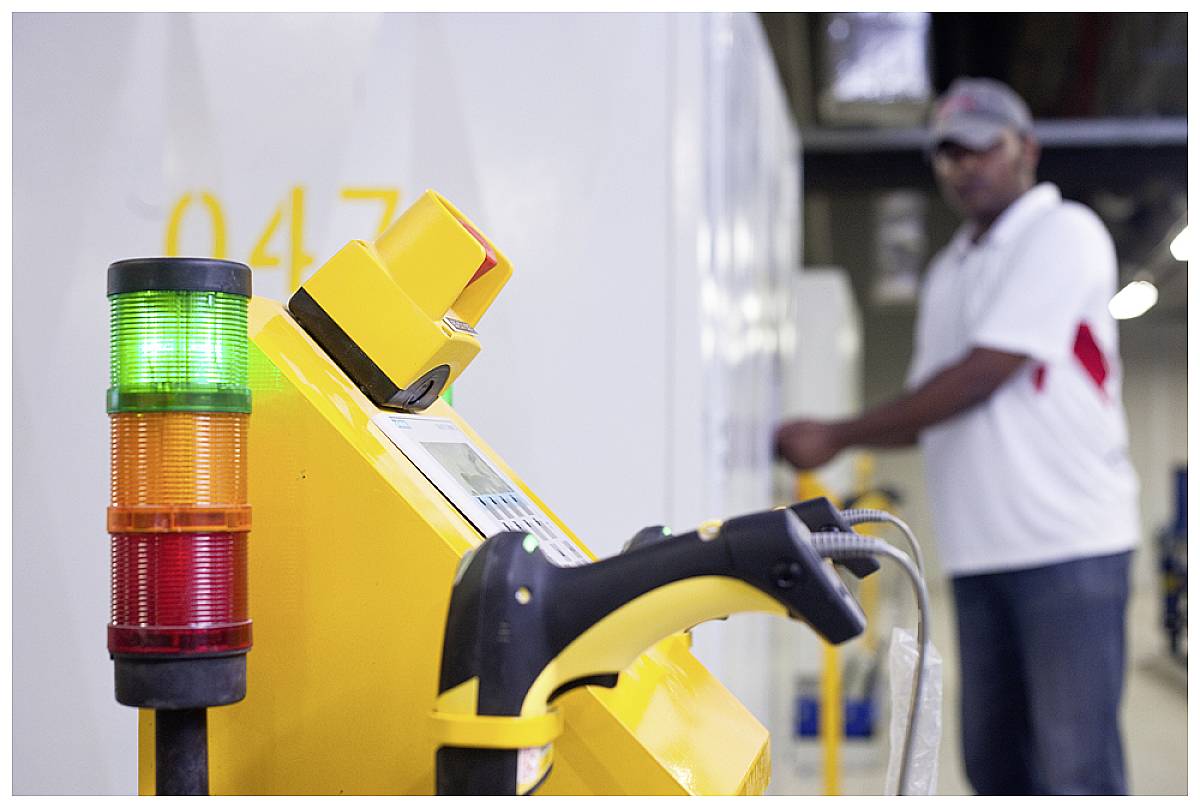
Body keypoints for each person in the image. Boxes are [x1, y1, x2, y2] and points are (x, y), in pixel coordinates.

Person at [775, 77, 1139, 796]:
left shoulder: (1063, 232)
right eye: (948, 154)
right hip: (981, 553)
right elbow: (927, 404)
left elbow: (982, 376)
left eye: (982, 149)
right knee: (995, 766)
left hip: (1069, 546)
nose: (963, 167)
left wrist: (837, 434)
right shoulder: (948, 273)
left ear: (1025, 149)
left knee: (1076, 770)